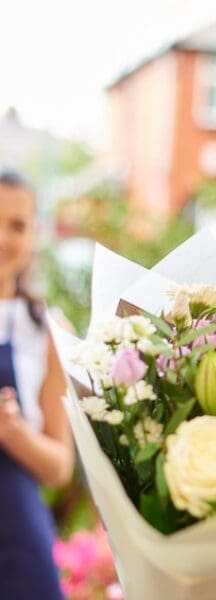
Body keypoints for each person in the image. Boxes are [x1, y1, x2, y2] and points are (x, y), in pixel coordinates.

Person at [0, 169, 74, 599]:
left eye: (17, 225)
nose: (4, 239)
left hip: (17, 541)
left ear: (35, 233)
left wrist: (13, 432)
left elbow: (59, 468)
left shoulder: (46, 329)